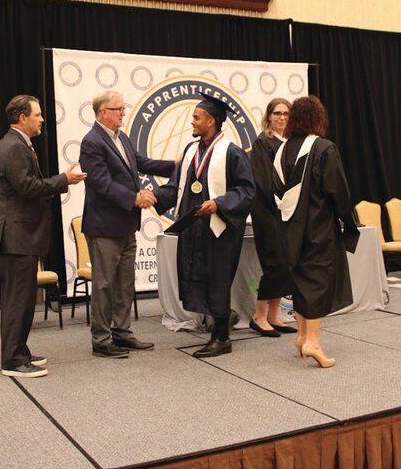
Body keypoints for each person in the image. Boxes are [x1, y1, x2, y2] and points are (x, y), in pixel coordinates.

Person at [0, 95, 86, 378]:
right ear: (22, 118)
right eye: (38, 114)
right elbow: (27, 187)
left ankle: (20, 350)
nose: (42, 119)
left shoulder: (19, 144)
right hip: (15, 236)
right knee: (17, 299)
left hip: (21, 236)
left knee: (23, 297)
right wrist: (62, 181)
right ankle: (12, 360)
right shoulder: (13, 147)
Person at [155, 93, 255, 358]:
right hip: (194, 229)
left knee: (218, 280)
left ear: (211, 121)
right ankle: (224, 318)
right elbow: (176, 186)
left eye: (196, 118)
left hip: (218, 230)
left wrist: (220, 203)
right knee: (197, 277)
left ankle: (221, 337)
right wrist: (152, 197)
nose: (192, 122)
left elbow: (247, 190)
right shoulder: (191, 151)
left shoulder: (231, 152)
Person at [79, 91, 176, 358]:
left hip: (125, 225)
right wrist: (133, 198)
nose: (123, 113)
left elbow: (141, 163)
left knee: (124, 283)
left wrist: (176, 165)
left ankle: (122, 333)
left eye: (123, 108)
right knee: (104, 285)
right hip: (104, 227)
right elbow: (100, 182)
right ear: (103, 113)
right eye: (119, 109)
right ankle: (101, 339)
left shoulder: (121, 137)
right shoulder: (92, 142)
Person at [273, 96, 358, 368]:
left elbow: (273, 190)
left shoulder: (281, 151)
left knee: (299, 279)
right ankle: (313, 343)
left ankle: (300, 336)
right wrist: (348, 219)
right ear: (317, 118)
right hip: (318, 228)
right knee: (317, 282)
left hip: (289, 228)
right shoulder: (324, 148)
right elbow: (337, 191)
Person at [248, 98, 296, 338]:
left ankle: (274, 316)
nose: (282, 118)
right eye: (277, 113)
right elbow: (264, 183)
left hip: (286, 213)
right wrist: (283, 203)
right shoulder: (262, 143)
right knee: (273, 263)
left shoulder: (290, 143)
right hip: (267, 211)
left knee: (285, 264)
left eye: (286, 114)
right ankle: (258, 316)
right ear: (268, 117)